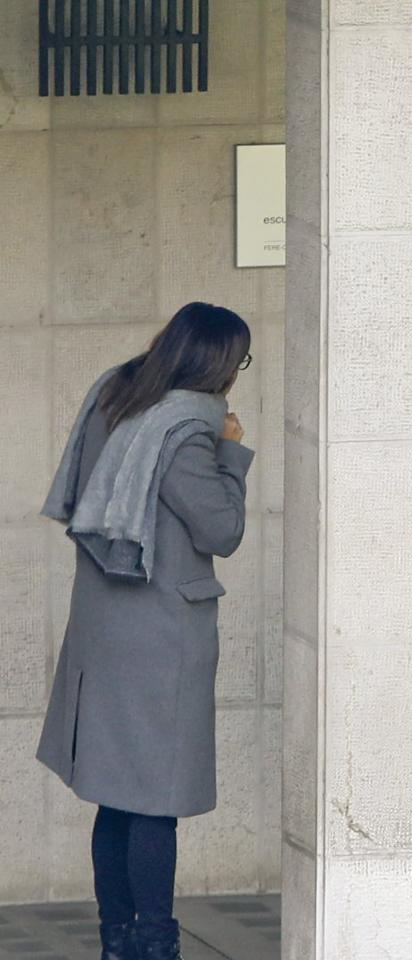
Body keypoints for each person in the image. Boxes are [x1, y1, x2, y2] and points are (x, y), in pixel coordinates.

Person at [36, 303, 255, 960]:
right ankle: (156, 944)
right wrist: (233, 451)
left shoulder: (114, 394)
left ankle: (118, 941)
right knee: (156, 799)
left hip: (103, 625)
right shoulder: (187, 433)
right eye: (238, 361)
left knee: (115, 794)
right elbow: (222, 530)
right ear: (216, 362)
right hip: (160, 635)